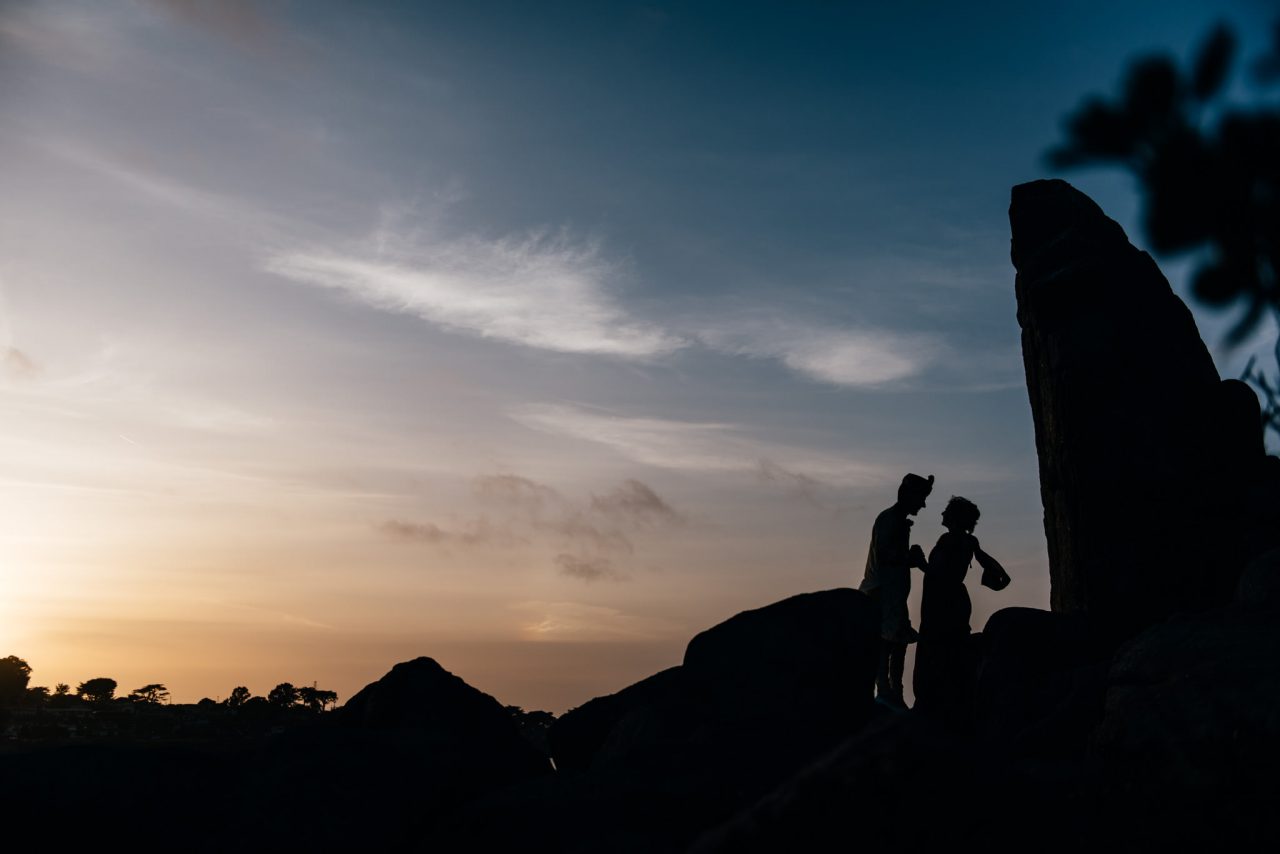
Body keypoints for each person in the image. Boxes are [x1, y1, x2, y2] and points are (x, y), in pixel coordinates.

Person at [913, 496, 1007, 725]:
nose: (942, 514)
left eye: (946, 511)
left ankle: (934, 705)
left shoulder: (948, 540)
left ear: (954, 517)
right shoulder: (969, 542)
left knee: (936, 650)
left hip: (941, 603)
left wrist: (919, 561)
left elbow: (938, 573)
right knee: (953, 648)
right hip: (956, 601)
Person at [859, 472, 932, 709]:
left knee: (897, 642)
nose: (923, 504)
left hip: (892, 594)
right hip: (882, 593)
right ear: (908, 495)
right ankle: (886, 691)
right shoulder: (890, 520)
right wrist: (910, 558)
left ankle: (893, 691)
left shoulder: (895, 520)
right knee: (888, 642)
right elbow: (885, 556)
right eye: (921, 498)